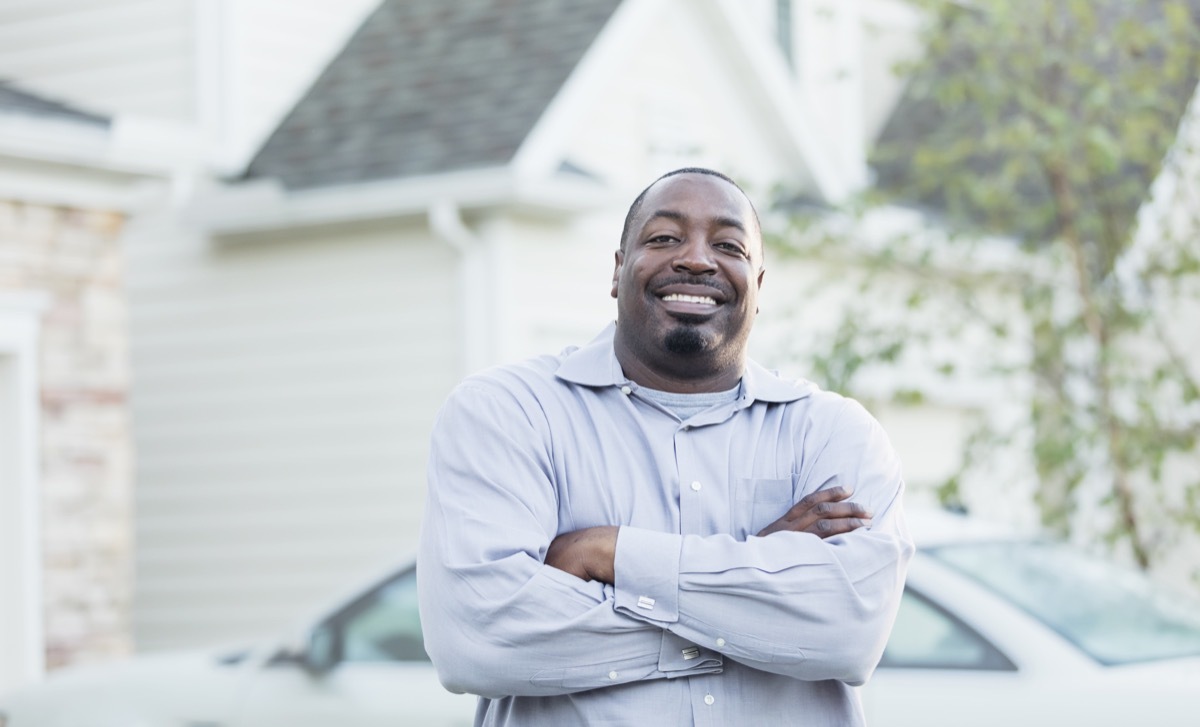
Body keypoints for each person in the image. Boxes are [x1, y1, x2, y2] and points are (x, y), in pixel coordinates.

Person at [418, 168, 913, 726]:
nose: (697, 260)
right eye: (663, 238)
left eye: (728, 245)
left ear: (759, 286)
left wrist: (609, 554)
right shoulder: (509, 413)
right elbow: (479, 639)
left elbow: (847, 632)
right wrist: (758, 579)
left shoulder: (834, 433)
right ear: (616, 270)